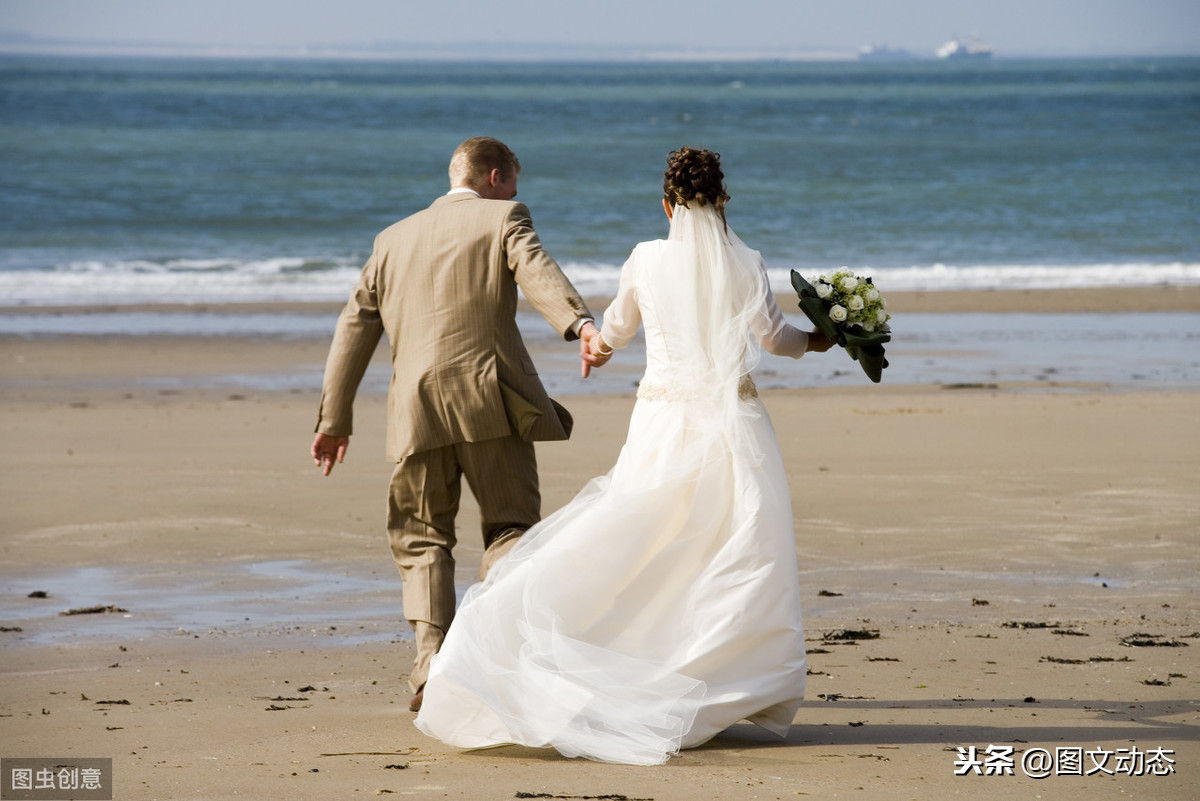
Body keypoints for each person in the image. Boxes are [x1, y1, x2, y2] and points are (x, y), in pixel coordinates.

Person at [414, 146, 834, 765]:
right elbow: (776, 339)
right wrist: (826, 338)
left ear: (666, 204)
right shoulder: (746, 261)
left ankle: (617, 657)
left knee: (643, 532)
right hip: (735, 424)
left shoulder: (645, 258)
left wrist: (595, 348)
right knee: (735, 546)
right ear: (722, 202)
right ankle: (728, 682)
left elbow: (614, 330)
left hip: (664, 420)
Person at [311, 137, 611, 714]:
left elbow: (354, 327)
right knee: (511, 529)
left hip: (415, 410)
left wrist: (334, 419)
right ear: (495, 177)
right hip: (488, 402)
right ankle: (495, 651)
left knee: (422, 540)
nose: (516, 196)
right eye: (513, 185)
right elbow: (536, 269)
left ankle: (430, 669)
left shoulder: (391, 238)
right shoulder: (505, 218)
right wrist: (580, 326)